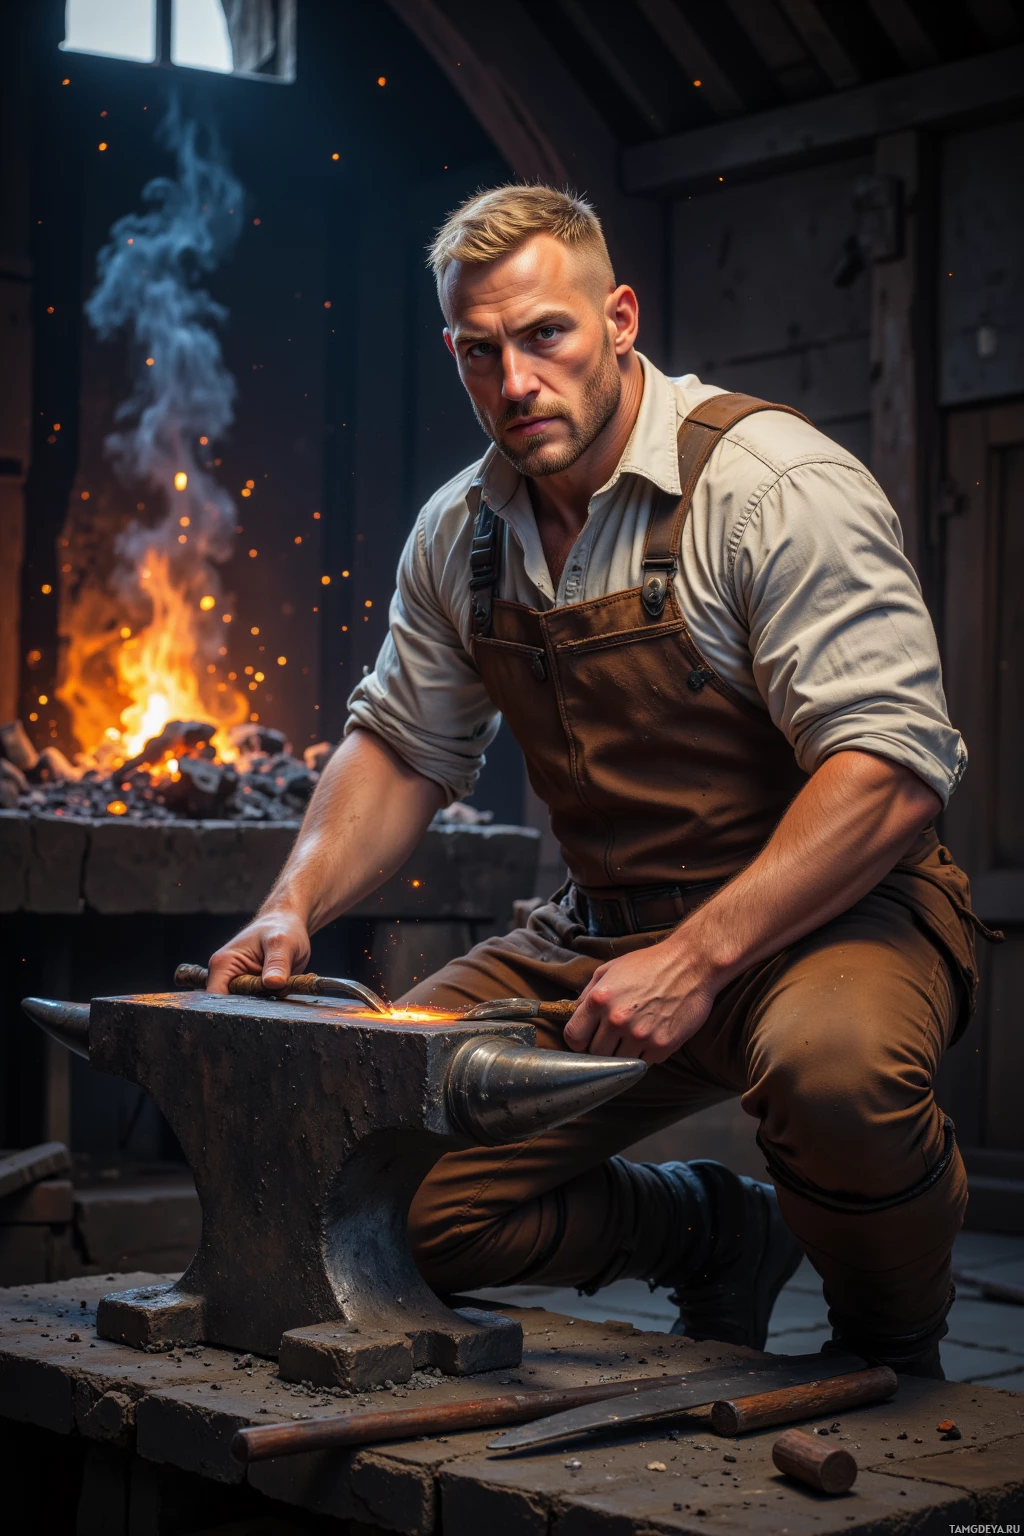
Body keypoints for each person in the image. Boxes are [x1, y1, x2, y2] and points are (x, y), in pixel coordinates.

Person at [208, 185, 991, 1377]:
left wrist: (698, 957)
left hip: (841, 914)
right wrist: (291, 905)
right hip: (601, 940)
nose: (514, 380)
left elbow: (889, 767)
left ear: (618, 319)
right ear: (454, 354)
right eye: (481, 351)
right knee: (365, 1188)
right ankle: (710, 1231)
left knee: (837, 1080)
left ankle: (889, 1342)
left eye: (546, 336)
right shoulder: (461, 534)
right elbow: (404, 744)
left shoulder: (770, 486)